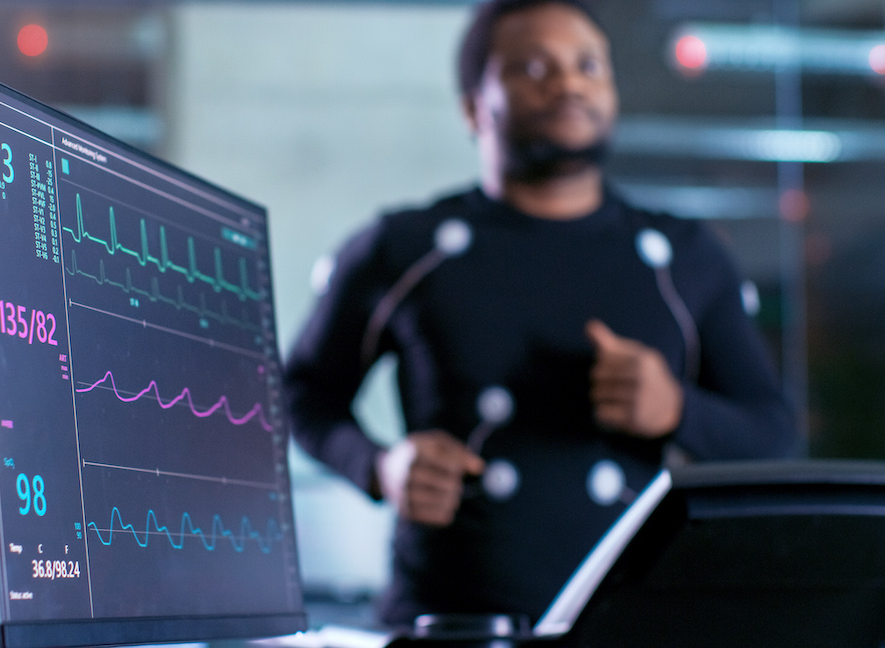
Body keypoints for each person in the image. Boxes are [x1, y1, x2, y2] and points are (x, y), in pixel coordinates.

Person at [283, 0, 799, 627]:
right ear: (473, 107)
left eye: (588, 66)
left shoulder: (687, 257)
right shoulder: (403, 248)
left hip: (632, 624)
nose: (568, 83)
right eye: (533, 67)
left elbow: (773, 434)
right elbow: (299, 395)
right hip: (444, 626)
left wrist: (676, 410)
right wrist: (380, 466)